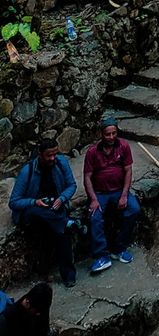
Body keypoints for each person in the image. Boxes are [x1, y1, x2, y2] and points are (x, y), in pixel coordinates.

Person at [8, 137, 76, 287]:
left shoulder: (61, 162)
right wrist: (35, 202)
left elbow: (71, 185)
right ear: (40, 154)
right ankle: (66, 223)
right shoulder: (28, 171)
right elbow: (14, 202)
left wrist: (62, 198)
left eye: (55, 154)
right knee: (49, 219)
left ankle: (68, 276)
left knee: (61, 232)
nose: (53, 158)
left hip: (54, 207)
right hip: (33, 211)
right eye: (49, 156)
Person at [82, 116, 139, 273]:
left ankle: (119, 248)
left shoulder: (124, 146)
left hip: (119, 190)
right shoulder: (92, 152)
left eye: (114, 133)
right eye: (108, 134)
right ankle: (101, 255)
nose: (111, 137)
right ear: (101, 134)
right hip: (100, 192)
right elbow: (87, 177)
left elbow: (128, 171)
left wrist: (124, 195)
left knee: (133, 209)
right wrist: (93, 199)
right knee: (95, 217)